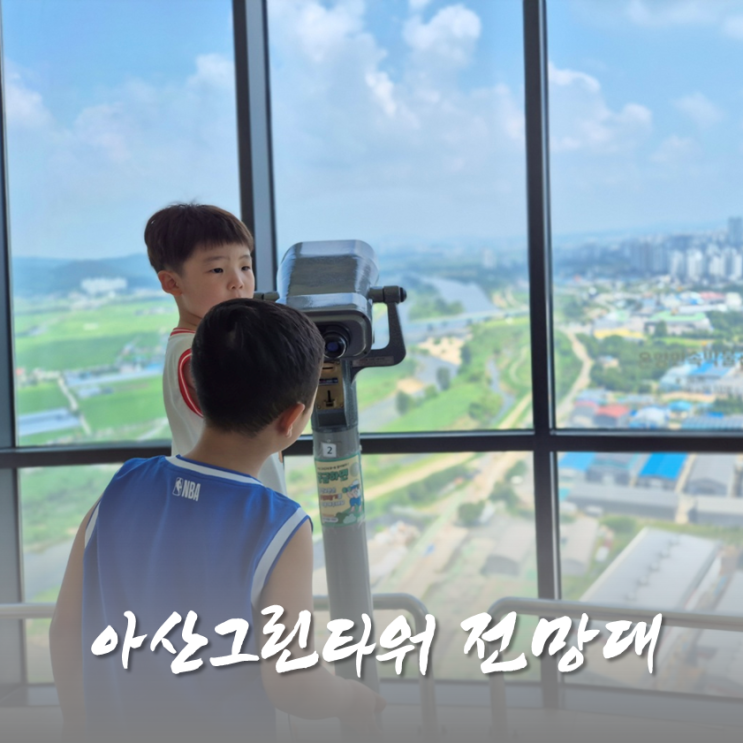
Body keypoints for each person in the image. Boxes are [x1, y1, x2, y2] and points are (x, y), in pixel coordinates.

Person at [49, 299, 385, 743]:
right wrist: (353, 699)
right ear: (292, 419)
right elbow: (293, 681)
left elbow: (66, 630)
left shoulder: (121, 486)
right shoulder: (280, 525)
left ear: (194, 384)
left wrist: (78, 724)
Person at [144, 202, 286, 495]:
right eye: (217, 269)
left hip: (230, 503)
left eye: (245, 266)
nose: (238, 282)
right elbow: (270, 420)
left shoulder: (195, 345)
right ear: (172, 282)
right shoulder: (197, 353)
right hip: (233, 506)